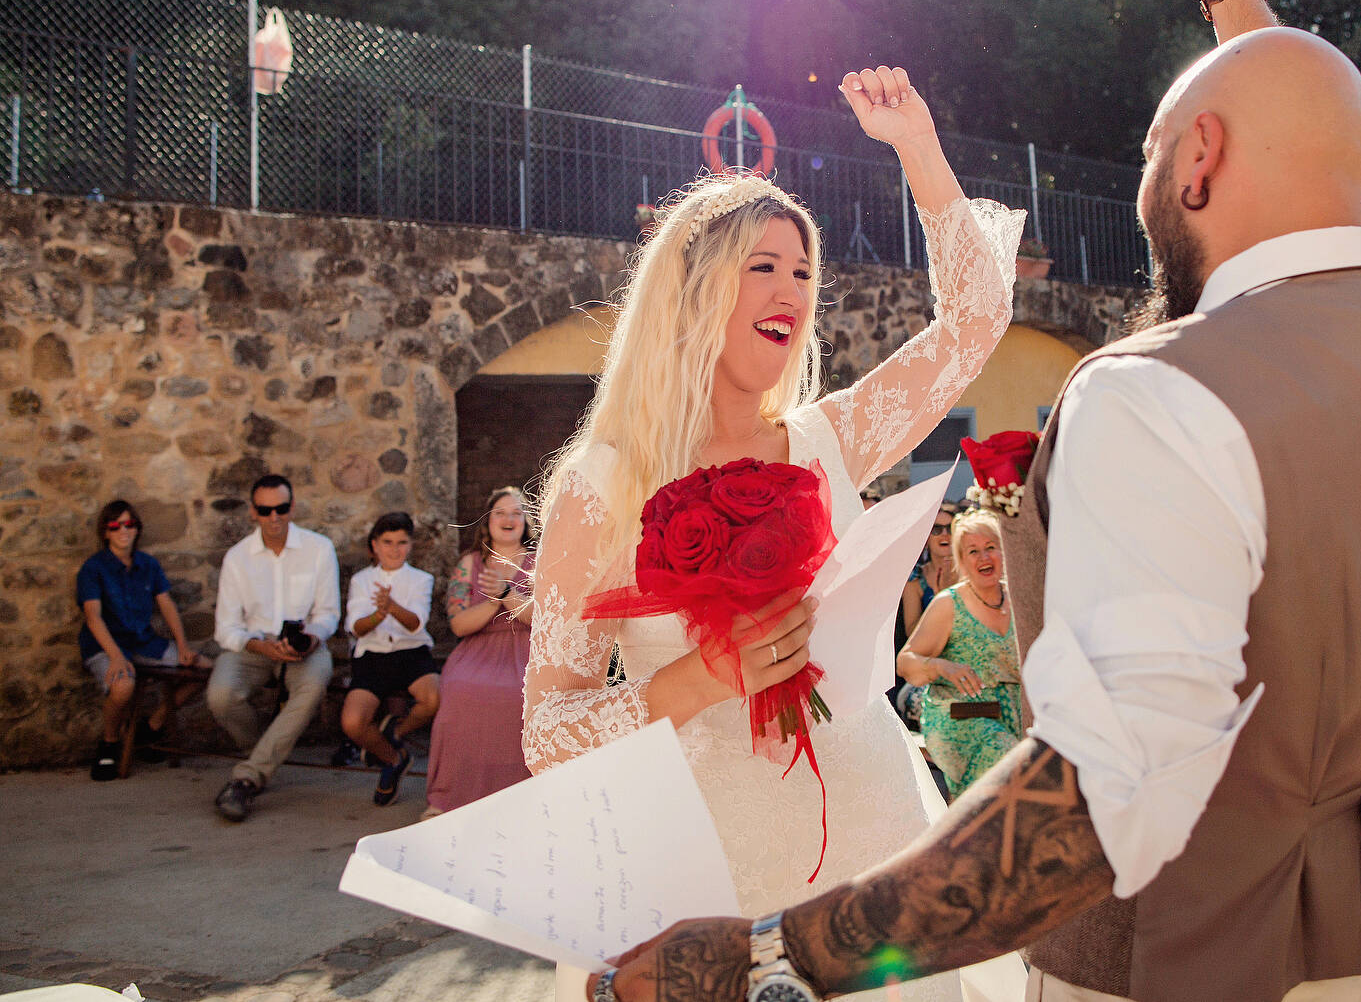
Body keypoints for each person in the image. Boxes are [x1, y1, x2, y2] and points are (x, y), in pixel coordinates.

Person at [594, 0, 1361, 1002]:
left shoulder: (1157, 392)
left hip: (1166, 954)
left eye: (1146, 151)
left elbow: (1100, 798)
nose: (787, 292)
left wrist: (766, 956)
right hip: (1348, 939)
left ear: (1196, 160)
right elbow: (1320, 172)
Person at [523, 57, 1022, 1002]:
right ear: (695, 288)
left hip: (872, 851)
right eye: (764, 267)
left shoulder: (830, 437)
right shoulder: (603, 485)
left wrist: (918, 147)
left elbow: (974, 322)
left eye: (803, 270)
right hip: (701, 879)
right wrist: (702, 676)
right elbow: (548, 732)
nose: (793, 289)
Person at [206, 474, 340, 822]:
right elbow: (226, 628)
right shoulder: (238, 558)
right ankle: (263, 754)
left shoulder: (318, 549)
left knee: (313, 686)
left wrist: (309, 639)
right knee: (220, 695)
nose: (274, 517)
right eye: (266, 510)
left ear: (292, 507)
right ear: (253, 512)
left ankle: (248, 777)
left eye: (281, 508)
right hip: (254, 645)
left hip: (303, 646)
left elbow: (328, 614)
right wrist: (262, 647)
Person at [77, 500, 211, 780]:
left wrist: (184, 647)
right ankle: (110, 744)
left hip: (143, 642)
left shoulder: (148, 565)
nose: (123, 530)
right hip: (106, 645)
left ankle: (150, 727)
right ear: (106, 532)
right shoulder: (93, 568)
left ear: (137, 528)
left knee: (205, 669)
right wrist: (115, 656)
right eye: (115, 525)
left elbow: (167, 605)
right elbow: (93, 617)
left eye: (129, 524)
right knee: (124, 685)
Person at [426, 486, 536, 816]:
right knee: (459, 689)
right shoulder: (469, 564)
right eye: (500, 513)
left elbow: (541, 619)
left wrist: (506, 593)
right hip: (478, 648)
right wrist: (494, 601)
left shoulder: (539, 563)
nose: (508, 519)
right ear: (487, 521)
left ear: (527, 522)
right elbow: (459, 625)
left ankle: (521, 799)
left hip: (525, 648)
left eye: (517, 513)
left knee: (518, 695)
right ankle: (449, 795)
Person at [897, 509, 1021, 798]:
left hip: (1015, 716)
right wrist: (942, 667)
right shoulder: (949, 604)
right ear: (962, 561)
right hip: (960, 718)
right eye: (973, 551)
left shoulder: (1018, 598)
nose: (984, 558)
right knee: (1010, 760)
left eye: (991, 548)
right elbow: (905, 663)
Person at [341, 511, 441, 807]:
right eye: (387, 542)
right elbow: (356, 627)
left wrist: (392, 606)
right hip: (372, 656)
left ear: (410, 545)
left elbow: (415, 624)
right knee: (352, 722)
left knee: (434, 699)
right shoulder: (361, 580)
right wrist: (378, 614)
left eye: (401, 542)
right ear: (374, 545)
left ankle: (393, 733)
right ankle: (393, 757)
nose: (394, 549)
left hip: (412, 653)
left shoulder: (422, 579)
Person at [889, 501, 959, 725]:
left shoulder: (970, 575)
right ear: (927, 536)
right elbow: (911, 631)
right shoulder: (915, 581)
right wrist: (940, 599)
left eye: (950, 528)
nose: (944, 534)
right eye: (937, 529)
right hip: (925, 668)